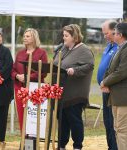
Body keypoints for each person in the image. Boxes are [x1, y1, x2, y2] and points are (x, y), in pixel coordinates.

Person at [53, 24, 94, 150]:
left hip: (75, 95)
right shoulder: (64, 48)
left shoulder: (84, 50)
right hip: (61, 93)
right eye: (63, 35)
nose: (63, 38)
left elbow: (89, 66)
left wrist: (74, 70)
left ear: (74, 36)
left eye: (66, 36)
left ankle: (77, 146)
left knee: (74, 120)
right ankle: (62, 145)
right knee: (62, 121)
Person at [11, 28, 48, 132]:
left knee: (33, 115)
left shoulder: (42, 53)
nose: (25, 38)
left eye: (28, 36)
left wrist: (27, 77)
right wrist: (17, 76)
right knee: (22, 114)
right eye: (24, 36)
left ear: (34, 38)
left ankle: (33, 141)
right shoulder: (20, 53)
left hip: (35, 89)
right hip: (20, 89)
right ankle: (23, 141)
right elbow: (13, 70)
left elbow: (43, 72)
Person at [100, 22, 127, 150]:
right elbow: (110, 69)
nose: (113, 34)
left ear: (120, 35)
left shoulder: (126, 49)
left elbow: (121, 72)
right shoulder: (119, 47)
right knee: (117, 128)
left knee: (122, 130)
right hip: (116, 96)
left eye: (115, 33)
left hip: (123, 98)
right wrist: (104, 81)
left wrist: (105, 82)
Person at [97, 20, 118, 150]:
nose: (105, 36)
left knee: (113, 121)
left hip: (112, 90)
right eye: (103, 33)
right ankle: (110, 146)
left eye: (107, 33)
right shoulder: (109, 45)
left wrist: (107, 82)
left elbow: (117, 70)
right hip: (104, 90)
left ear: (115, 31)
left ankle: (115, 147)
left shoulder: (119, 47)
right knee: (107, 121)